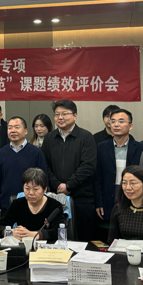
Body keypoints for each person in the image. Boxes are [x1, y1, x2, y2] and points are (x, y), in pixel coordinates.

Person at [41, 99, 97, 240]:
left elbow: (88, 166)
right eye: (57, 114)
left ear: (75, 115)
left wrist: (69, 185)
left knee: (83, 239)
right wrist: (57, 185)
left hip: (81, 197)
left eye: (64, 114)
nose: (60, 117)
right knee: (56, 238)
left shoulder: (86, 137)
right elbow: (45, 165)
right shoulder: (49, 138)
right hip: (55, 197)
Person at [94, 109, 143, 222]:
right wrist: (98, 202)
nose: (116, 124)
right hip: (108, 196)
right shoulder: (101, 147)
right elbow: (97, 177)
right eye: (113, 121)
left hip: (132, 195)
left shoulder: (141, 149)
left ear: (130, 126)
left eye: (121, 121)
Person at [0, 117, 47, 220]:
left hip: (31, 204)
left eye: (17, 127)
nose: (13, 130)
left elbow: (44, 180)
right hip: (6, 204)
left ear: (25, 131)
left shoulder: (36, 152)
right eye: (10, 128)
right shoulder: (1, 153)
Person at [0, 168, 63, 240]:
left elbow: (59, 232)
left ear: (45, 189)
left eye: (35, 189)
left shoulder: (55, 206)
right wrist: (11, 232)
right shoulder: (17, 204)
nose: (31, 193)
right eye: (27, 188)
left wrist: (33, 235)